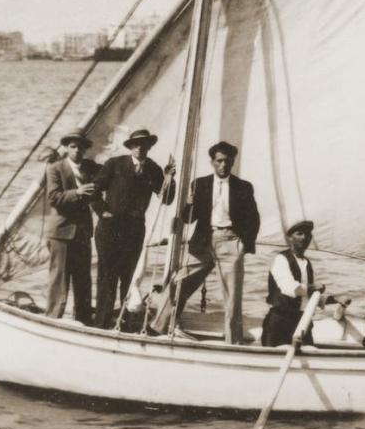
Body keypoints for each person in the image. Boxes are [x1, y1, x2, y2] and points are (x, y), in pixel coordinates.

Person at [151, 141, 259, 343]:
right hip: (202, 241)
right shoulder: (200, 184)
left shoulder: (243, 187)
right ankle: (158, 328)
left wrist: (245, 244)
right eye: (219, 161)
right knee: (179, 282)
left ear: (233, 162)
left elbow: (253, 219)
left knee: (232, 295)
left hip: (230, 241)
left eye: (228, 161)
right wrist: (189, 204)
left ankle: (232, 340)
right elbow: (188, 218)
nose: (224, 165)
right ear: (212, 162)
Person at [91, 128, 175, 329]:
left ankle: (126, 324)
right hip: (109, 230)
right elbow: (94, 190)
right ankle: (101, 324)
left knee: (130, 277)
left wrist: (169, 178)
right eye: (136, 144)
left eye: (144, 144)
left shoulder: (153, 169)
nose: (140, 148)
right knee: (107, 277)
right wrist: (102, 212)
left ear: (148, 147)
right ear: (130, 147)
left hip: (134, 232)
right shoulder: (115, 164)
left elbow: (167, 198)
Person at [44, 128, 99, 323]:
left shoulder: (90, 168)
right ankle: (51, 319)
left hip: (82, 234)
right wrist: (78, 192)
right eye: (73, 147)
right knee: (59, 282)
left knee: (83, 280)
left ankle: (84, 320)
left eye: (80, 147)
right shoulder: (55, 168)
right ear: (66, 148)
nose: (77, 151)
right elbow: (53, 197)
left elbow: (110, 174)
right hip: (61, 233)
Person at [261, 220, 322, 347]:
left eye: (308, 235)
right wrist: (314, 288)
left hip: (301, 323)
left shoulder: (307, 263)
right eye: (299, 234)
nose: (304, 238)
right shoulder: (281, 259)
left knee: (311, 351)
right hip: (280, 323)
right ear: (289, 237)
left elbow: (307, 296)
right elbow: (291, 289)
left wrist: (332, 300)